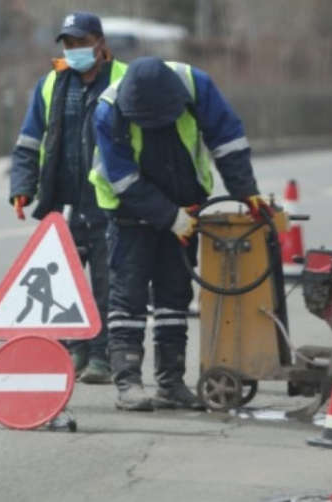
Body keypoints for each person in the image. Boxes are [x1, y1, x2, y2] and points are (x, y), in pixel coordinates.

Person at [90, 56, 275, 411]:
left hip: (186, 208)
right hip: (130, 214)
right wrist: (169, 217)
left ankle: (170, 383)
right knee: (128, 298)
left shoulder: (196, 86)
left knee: (174, 297)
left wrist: (244, 189)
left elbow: (228, 139)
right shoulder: (109, 110)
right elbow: (123, 178)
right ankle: (128, 383)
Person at [9, 11, 127, 384]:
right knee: (63, 285)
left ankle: (101, 356)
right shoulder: (52, 84)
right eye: (68, 44)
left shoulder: (125, 80)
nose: (74, 50)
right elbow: (29, 140)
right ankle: (75, 349)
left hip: (109, 203)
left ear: (100, 42)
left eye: (81, 43)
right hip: (63, 203)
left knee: (107, 286)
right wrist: (22, 186)